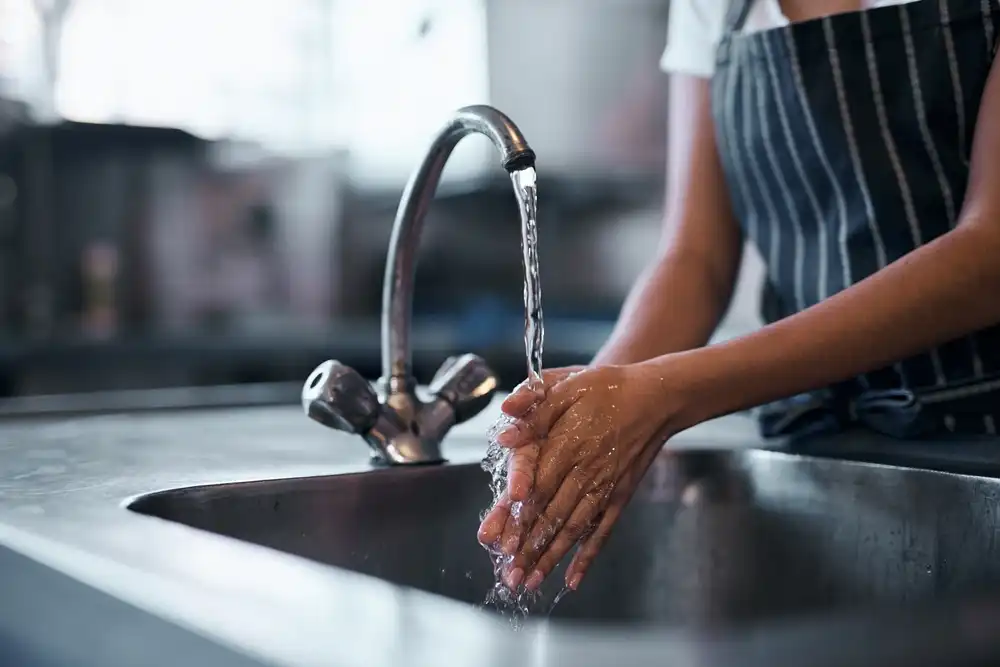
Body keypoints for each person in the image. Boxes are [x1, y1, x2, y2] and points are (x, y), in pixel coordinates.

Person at [478, 0, 1000, 595]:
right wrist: (595, 412)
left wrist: (668, 392)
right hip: (814, 452)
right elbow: (695, 259)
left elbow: (988, 255)